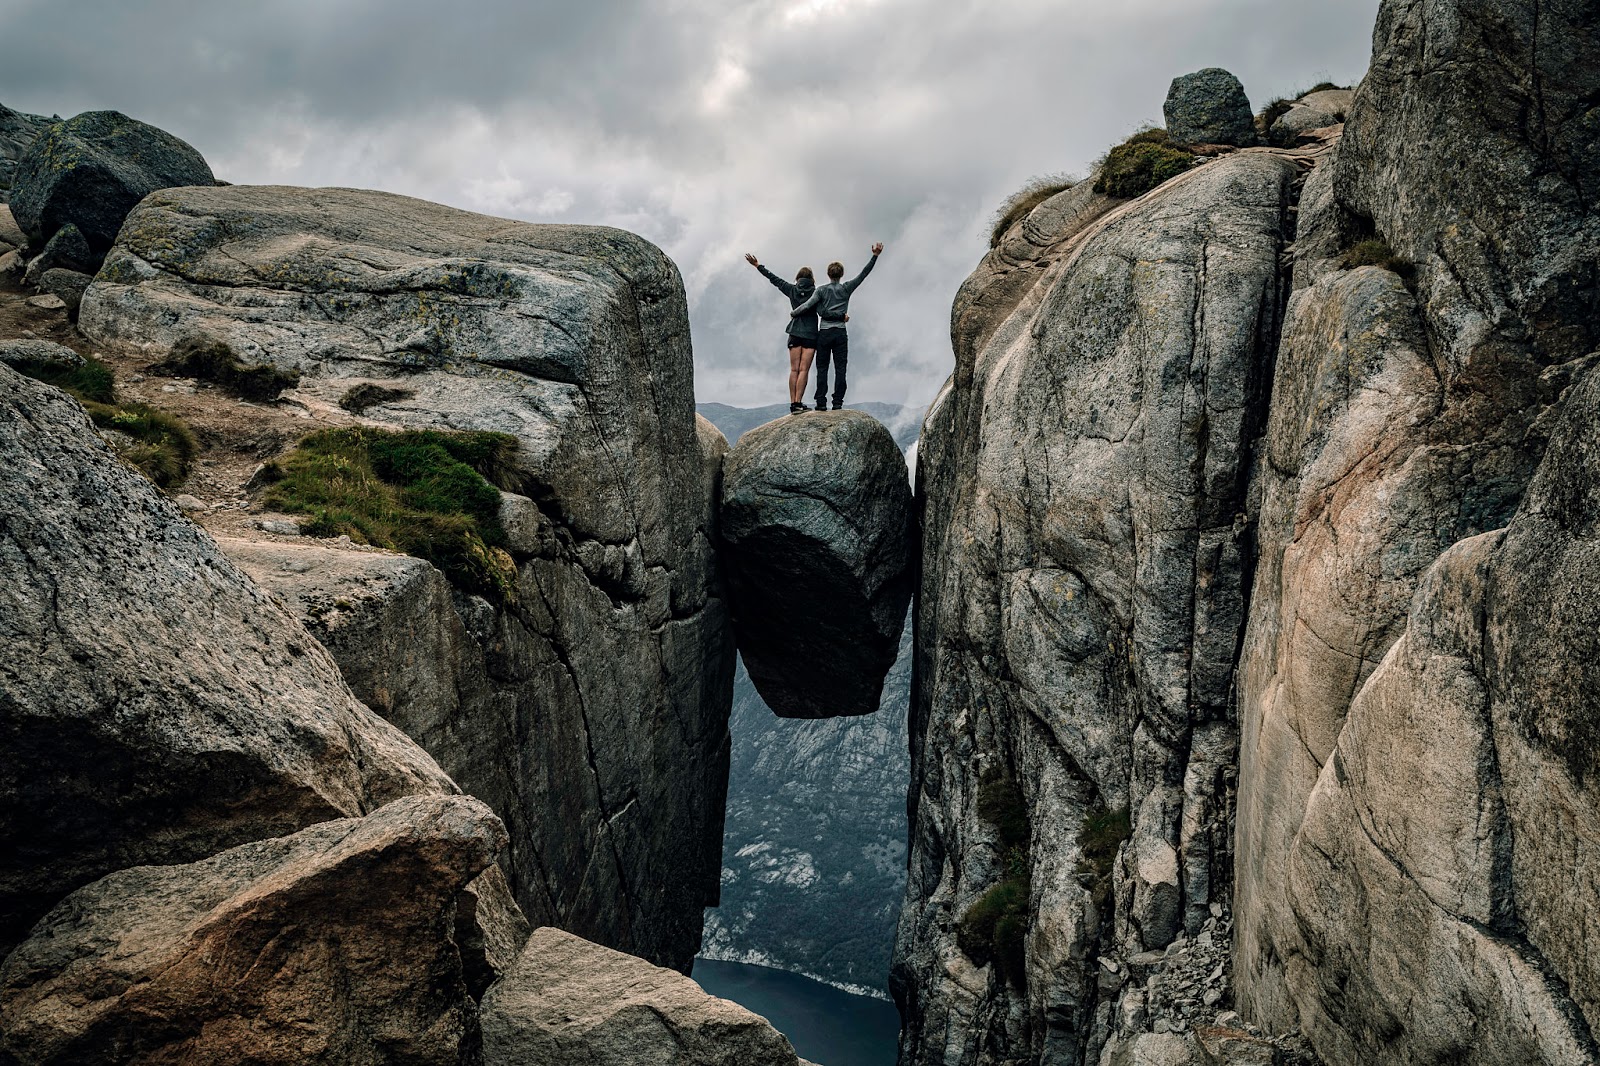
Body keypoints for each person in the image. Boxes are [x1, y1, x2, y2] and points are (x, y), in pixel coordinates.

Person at [790, 242, 883, 410]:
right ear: (841, 275)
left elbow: (808, 305)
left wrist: (794, 313)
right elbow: (864, 274)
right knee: (840, 369)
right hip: (840, 333)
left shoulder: (821, 291)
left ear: (828, 274)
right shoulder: (846, 288)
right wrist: (875, 256)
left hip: (824, 333)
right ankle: (838, 402)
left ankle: (820, 402)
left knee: (822, 369)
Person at [746, 253, 819, 415]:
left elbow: (774, 279)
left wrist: (758, 266)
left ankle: (793, 404)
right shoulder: (817, 293)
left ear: (798, 278)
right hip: (811, 334)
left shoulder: (792, 290)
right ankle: (799, 402)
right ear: (812, 279)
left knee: (794, 370)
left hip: (794, 333)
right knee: (804, 369)